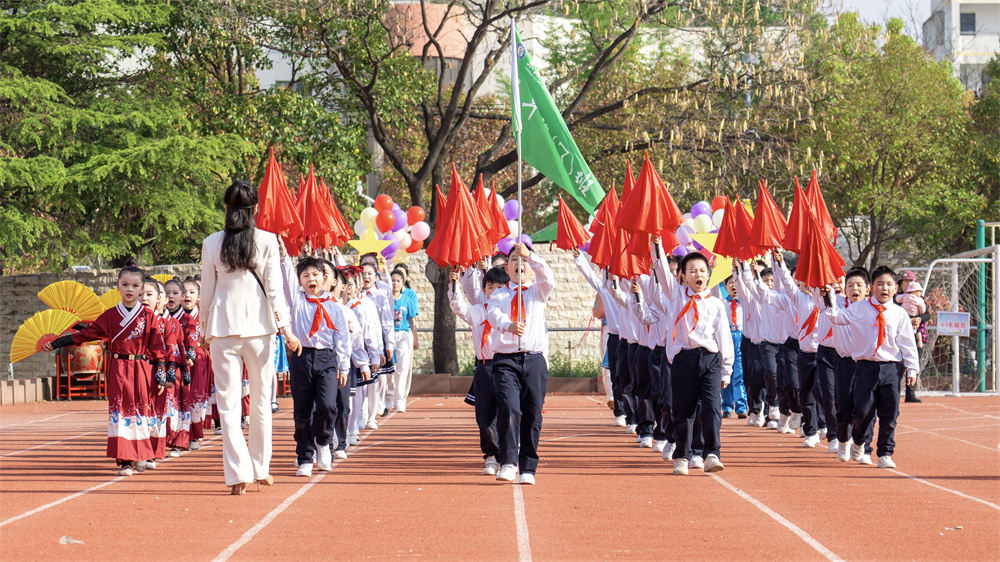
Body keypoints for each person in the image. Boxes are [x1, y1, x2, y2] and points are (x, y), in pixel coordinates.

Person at [200, 180, 301, 496]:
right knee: (260, 402)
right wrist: (287, 329)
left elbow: (207, 292)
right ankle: (260, 468)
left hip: (222, 329)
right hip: (260, 330)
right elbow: (275, 290)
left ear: (226, 208)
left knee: (228, 405)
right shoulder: (268, 240)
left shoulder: (211, 243)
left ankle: (237, 475)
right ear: (254, 209)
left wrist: (204, 329)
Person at [44, 261, 166, 476]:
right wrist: (57, 342)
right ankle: (126, 460)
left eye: (135, 286)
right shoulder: (109, 315)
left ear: (141, 288)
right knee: (120, 411)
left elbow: (158, 348)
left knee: (141, 410)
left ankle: (142, 454)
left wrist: (162, 375)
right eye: (125, 284)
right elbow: (86, 334)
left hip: (141, 368)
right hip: (118, 367)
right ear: (117, 286)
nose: (130, 289)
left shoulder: (149, 316)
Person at [822, 265, 919, 468]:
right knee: (862, 412)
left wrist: (912, 368)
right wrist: (827, 298)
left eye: (889, 284)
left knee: (890, 413)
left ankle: (885, 453)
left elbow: (907, 342)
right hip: (865, 367)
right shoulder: (859, 308)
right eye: (880, 284)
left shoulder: (899, 314)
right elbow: (836, 318)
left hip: (892, 367)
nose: (884, 288)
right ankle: (858, 440)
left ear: (895, 289)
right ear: (872, 288)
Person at [653, 243, 733, 475]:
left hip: (710, 359)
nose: (698, 274)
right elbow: (660, 270)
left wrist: (726, 370)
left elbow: (723, 338)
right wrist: (656, 245)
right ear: (684, 276)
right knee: (683, 409)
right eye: (692, 271)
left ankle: (712, 453)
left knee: (711, 407)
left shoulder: (716, 304)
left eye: (702, 270)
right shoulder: (676, 297)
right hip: (684, 360)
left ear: (709, 274)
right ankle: (683, 455)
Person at [278, 246, 351, 477]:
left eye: (316, 275)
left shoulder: (334, 306)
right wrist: (283, 255)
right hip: (301, 356)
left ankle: (323, 441)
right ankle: (305, 456)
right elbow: (286, 279)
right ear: (300, 280)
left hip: (327, 359)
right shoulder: (297, 301)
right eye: (306, 275)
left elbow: (342, 338)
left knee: (328, 406)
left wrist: (344, 366)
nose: (311, 279)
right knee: (302, 411)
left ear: (325, 279)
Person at [487, 242, 554, 485]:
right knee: (509, 408)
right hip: (505, 360)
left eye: (523, 261)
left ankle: (528, 468)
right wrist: (508, 325)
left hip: (534, 360)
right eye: (514, 260)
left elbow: (549, 277)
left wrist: (532, 256)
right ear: (507, 266)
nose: (520, 264)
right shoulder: (499, 294)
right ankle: (507, 462)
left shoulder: (538, 291)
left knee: (533, 415)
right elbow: (493, 315)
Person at [450, 266, 509, 475]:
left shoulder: (511, 311)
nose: (493, 291)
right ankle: (491, 456)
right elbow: (458, 307)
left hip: (506, 365)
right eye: (489, 287)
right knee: (484, 414)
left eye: (498, 287)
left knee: (508, 410)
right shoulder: (477, 311)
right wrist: (454, 284)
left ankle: (508, 453)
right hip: (484, 366)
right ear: (483, 289)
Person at [389, 268, 418, 413]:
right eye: (393, 280)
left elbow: (412, 320)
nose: (395, 283)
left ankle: (400, 400)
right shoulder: (385, 300)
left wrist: (415, 338)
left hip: (403, 334)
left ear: (402, 283)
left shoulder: (407, 300)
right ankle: (388, 398)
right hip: (389, 335)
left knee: (402, 368)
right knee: (389, 369)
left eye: (398, 281)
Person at [720, 276, 748, 419]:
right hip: (726, 339)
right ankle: (726, 406)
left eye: (735, 282)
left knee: (739, 374)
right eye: (730, 283)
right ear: (725, 286)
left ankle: (741, 407)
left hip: (740, 339)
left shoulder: (744, 302)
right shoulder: (721, 303)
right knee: (726, 374)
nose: (733, 286)